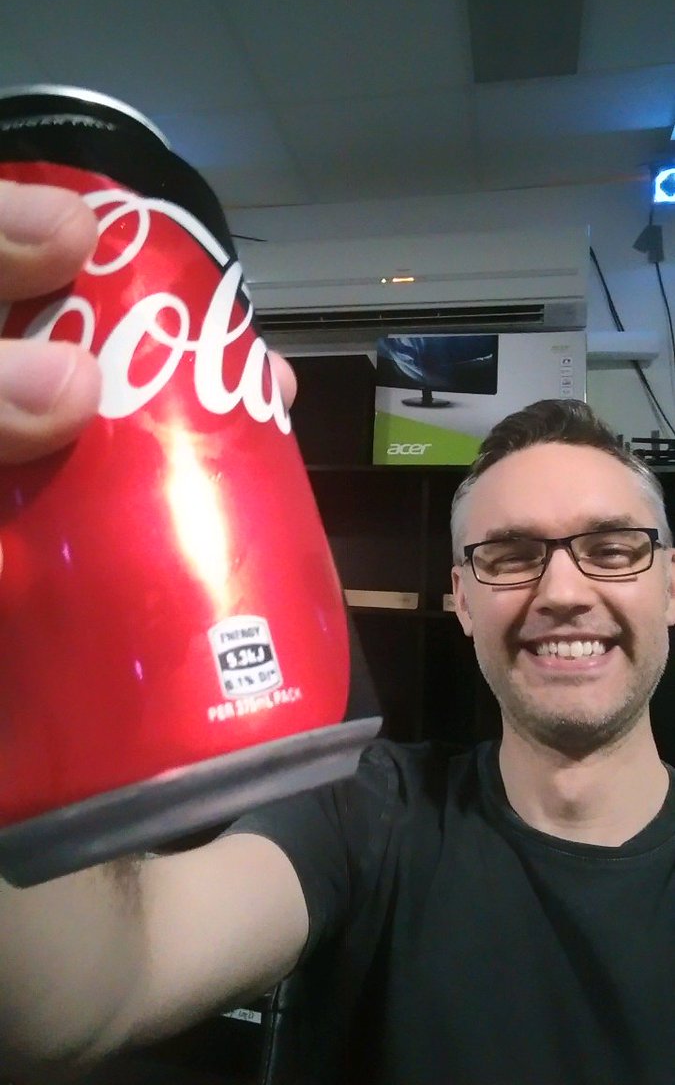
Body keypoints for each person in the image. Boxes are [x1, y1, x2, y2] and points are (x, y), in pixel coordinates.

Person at [1, 180, 675, 1085]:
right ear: (460, 599)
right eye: (509, 555)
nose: (561, 591)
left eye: (611, 549)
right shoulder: (368, 812)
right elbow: (96, 990)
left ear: (669, 585)